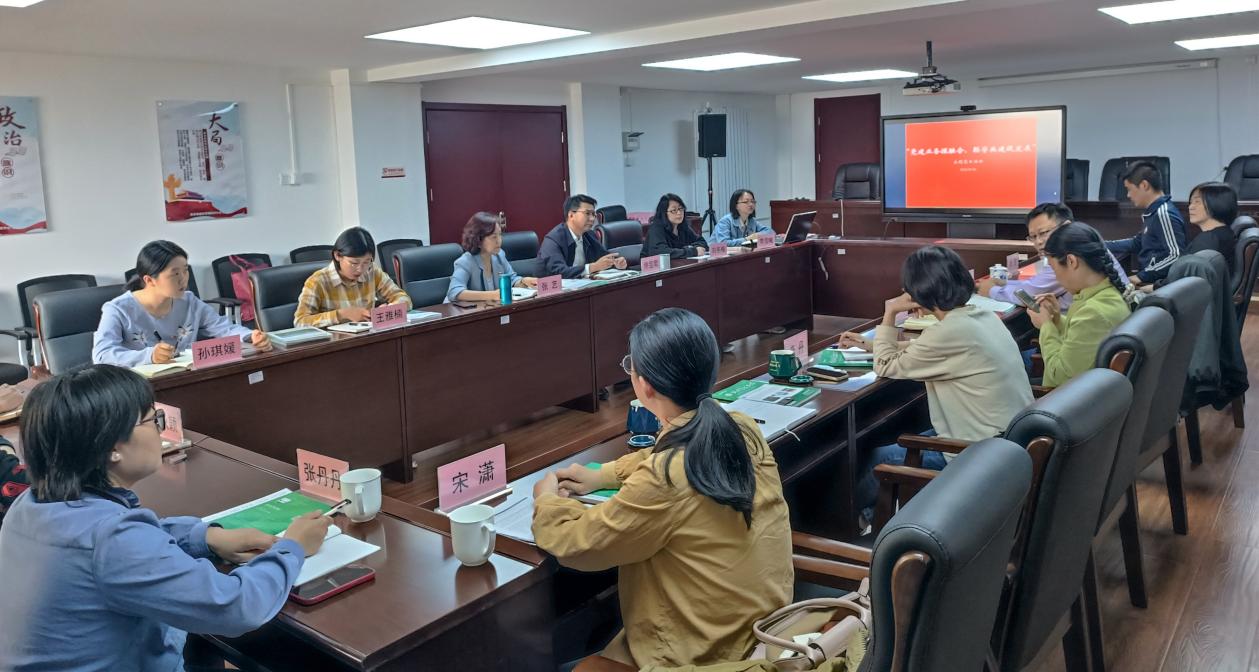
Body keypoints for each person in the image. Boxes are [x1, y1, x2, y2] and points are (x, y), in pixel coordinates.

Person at [0, 364, 332, 671]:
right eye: (151, 420)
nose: (160, 430)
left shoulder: (31, 503)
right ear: (112, 447)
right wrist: (292, 547)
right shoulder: (111, 538)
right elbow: (237, 607)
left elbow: (122, 542)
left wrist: (206, 537)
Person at [532, 308, 792, 668]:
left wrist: (546, 500)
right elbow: (667, 454)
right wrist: (604, 475)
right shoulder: (741, 427)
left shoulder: (664, 478)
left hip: (704, 657)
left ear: (645, 386)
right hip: (765, 635)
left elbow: (577, 545)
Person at [840, 246, 1032, 526]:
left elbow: (885, 365)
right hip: (1005, 439)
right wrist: (872, 344)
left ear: (919, 292)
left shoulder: (949, 332)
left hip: (976, 452)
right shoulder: (981, 316)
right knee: (903, 436)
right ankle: (876, 517)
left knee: (879, 458)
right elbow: (928, 347)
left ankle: (848, 528)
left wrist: (890, 311)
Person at [93, 240, 271, 367]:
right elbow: (101, 355)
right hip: (141, 389)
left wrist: (250, 336)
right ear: (150, 280)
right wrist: (149, 356)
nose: (183, 279)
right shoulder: (118, 310)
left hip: (185, 379)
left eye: (185, 271)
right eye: (175, 274)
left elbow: (223, 328)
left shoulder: (189, 301)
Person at [1031, 223, 1132, 388]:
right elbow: (1081, 336)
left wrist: (1046, 326)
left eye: (1054, 269)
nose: (1056, 277)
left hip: (1064, 398)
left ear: (1071, 261)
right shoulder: (1107, 295)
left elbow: (1059, 377)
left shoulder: (1094, 313)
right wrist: (1057, 319)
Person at [977, 203, 1127, 311]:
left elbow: (1030, 294)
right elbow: (1035, 286)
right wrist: (1006, 284)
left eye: (1043, 233)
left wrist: (991, 290)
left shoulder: (1069, 258)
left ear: (1066, 226)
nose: (1038, 242)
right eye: (1033, 237)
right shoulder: (1083, 247)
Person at [294, 226, 412, 327]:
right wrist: (341, 315)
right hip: (335, 343)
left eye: (366, 262)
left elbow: (403, 298)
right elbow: (300, 322)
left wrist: (391, 308)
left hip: (368, 337)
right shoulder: (318, 281)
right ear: (337, 255)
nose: (360, 269)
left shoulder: (372, 271)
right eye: (354, 263)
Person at [1105, 161, 1187, 286]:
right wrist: (1102, 245)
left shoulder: (1164, 214)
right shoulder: (1154, 212)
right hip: (1150, 280)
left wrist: (1142, 276)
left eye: (1129, 189)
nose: (1128, 195)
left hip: (1159, 285)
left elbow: (1176, 256)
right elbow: (1137, 243)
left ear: (1144, 185)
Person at [446, 212, 538, 303]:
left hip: (490, 309)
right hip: (461, 311)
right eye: (494, 237)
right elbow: (454, 292)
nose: (499, 241)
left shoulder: (499, 255)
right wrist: (492, 295)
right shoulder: (465, 262)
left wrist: (523, 281)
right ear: (478, 240)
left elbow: (512, 279)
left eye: (500, 235)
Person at [538, 194, 628, 279]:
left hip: (584, 285)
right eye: (587, 213)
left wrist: (616, 263)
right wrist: (593, 267)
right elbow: (559, 272)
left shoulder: (589, 235)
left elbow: (603, 257)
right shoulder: (553, 239)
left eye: (593, 214)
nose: (592, 219)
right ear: (571, 215)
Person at [1186, 181, 1238, 272]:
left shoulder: (1208, 239)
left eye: (1197, 202)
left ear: (1217, 203)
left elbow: (1190, 274)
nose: (1191, 207)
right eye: (1191, 202)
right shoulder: (1225, 233)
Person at [642, 194, 709, 259]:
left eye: (681, 209)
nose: (679, 213)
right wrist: (692, 251)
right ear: (664, 213)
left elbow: (702, 242)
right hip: (653, 266)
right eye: (674, 210)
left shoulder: (682, 227)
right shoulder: (656, 229)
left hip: (678, 264)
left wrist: (691, 248)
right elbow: (662, 252)